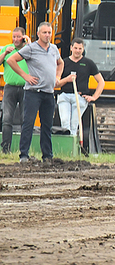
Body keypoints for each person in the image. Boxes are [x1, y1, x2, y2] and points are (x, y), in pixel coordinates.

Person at [6, 22, 63, 164]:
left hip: (49, 93)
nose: (47, 35)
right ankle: (24, 155)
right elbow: (11, 60)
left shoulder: (54, 49)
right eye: (44, 33)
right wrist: (25, 76)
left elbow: (60, 63)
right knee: (28, 123)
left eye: (49, 32)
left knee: (47, 125)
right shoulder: (31, 48)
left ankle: (47, 155)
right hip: (33, 92)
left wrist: (57, 77)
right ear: (38, 34)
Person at [57, 38, 105, 137]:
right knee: (65, 122)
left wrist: (94, 97)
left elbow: (101, 82)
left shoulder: (88, 63)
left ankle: (72, 150)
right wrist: (67, 79)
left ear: (83, 49)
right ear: (71, 48)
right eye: (75, 48)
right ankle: (66, 147)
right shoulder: (63, 63)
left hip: (79, 97)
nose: (77, 51)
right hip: (64, 96)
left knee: (74, 125)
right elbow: (56, 84)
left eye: (80, 48)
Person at [0, 27, 31, 153]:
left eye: (19, 37)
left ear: (23, 37)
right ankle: (6, 149)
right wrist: (5, 53)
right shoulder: (8, 49)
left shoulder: (29, 49)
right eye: (14, 37)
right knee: (7, 119)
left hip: (26, 88)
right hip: (10, 88)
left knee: (25, 119)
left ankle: (23, 150)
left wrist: (28, 43)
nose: (16, 39)